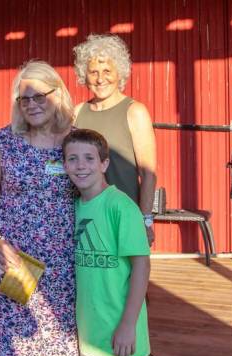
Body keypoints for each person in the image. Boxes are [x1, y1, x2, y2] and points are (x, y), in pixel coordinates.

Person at [0, 60, 87, 356]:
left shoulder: (76, 141)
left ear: (59, 94)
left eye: (41, 95)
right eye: (25, 99)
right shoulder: (4, 142)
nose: (33, 103)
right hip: (13, 268)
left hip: (63, 272)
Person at [63, 129, 151, 356]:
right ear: (64, 166)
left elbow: (141, 266)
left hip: (120, 331)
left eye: (89, 158)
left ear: (104, 164)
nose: (80, 165)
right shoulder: (74, 208)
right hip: (91, 331)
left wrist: (128, 324)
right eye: (72, 159)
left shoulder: (120, 206)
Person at [73, 34, 157, 244]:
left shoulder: (134, 111)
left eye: (107, 71)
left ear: (120, 73)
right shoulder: (77, 113)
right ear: (85, 75)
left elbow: (148, 174)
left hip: (123, 217)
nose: (100, 79)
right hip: (84, 218)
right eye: (93, 72)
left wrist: (145, 220)